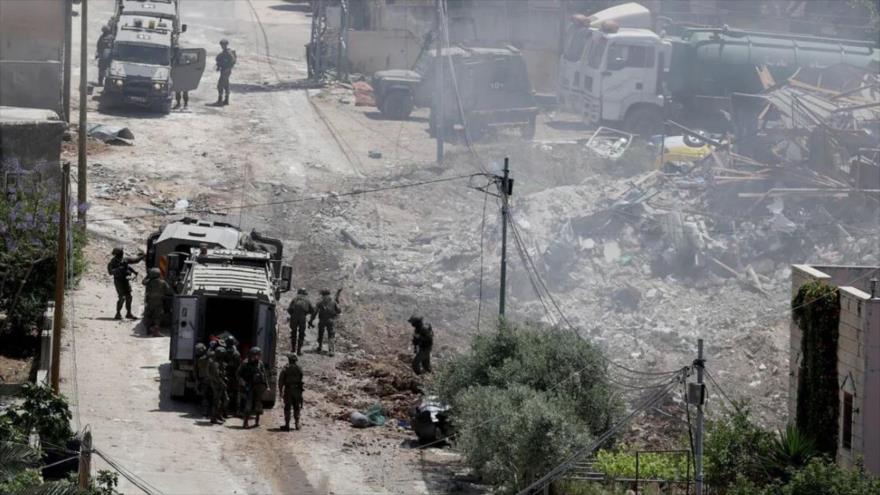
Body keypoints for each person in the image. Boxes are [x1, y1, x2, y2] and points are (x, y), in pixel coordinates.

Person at [107, 247, 144, 320]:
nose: (122, 253)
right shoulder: (112, 262)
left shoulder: (124, 260)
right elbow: (110, 272)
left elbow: (134, 261)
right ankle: (118, 313)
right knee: (122, 297)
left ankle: (129, 313)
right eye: (121, 252)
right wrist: (119, 269)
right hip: (118, 281)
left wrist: (142, 257)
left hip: (125, 280)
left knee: (129, 297)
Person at [238, 347, 268, 428]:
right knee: (248, 405)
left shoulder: (260, 363)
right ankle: (245, 423)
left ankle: (257, 422)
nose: (256, 357)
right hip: (249, 386)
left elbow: (264, 375)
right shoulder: (245, 363)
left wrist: (266, 386)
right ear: (251, 355)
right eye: (255, 355)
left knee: (259, 404)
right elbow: (238, 374)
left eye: (258, 355)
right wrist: (243, 384)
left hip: (258, 386)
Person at [142, 268, 174, 337]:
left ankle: (148, 330)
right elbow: (169, 291)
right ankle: (156, 332)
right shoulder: (162, 282)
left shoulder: (148, 282)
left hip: (149, 301)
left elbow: (143, 282)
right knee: (158, 316)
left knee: (149, 315)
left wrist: (148, 276)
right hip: (158, 302)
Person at [309, 289, 341, 356]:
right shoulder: (333, 302)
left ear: (322, 295)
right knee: (331, 335)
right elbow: (339, 311)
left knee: (320, 333)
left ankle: (319, 347)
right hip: (331, 320)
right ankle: (331, 350)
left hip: (322, 320)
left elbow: (314, 312)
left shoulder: (320, 302)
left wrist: (311, 321)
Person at [278, 353, 304, 431]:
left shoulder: (286, 368)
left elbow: (281, 381)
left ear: (289, 360)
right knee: (297, 407)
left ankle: (287, 425)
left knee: (287, 408)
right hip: (297, 390)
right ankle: (297, 424)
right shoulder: (299, 368)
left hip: (288, 390)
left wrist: (280, 391)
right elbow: (301, 378)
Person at [287, 288, 315, 356]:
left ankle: (293, 349)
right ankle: (299, 351)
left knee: (293, 333)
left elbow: (289, 309)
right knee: (301, 333)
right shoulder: (307, 300)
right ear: (305, 293)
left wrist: (292, 315)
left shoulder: (294, 299)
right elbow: (312, 310)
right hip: (302, 317)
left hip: (294, 317)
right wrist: (305, 313)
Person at [215, 39, 236, 105]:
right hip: (224, 70)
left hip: (226, 71)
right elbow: (219, 60)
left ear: (226, 45)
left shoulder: (228, 53)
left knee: (220, 85)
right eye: (221, 45)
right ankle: (226, 100)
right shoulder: (224, 53)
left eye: (223, 45)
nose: (222, 46)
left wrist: (228, 68)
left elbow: (232, 62)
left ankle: (220, 99)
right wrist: (218, 66)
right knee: (226, 84)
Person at [224, 335, 241, 416]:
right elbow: (239, 366)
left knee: (225, 393)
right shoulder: (237, 353)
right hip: (234, 376)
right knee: (236, 393)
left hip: (226, 376)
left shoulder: (222, 352)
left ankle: (224, 411)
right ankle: (236, 411)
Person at [211, 346, 229, 422]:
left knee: (226, 399)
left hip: (221, 383)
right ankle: (214, 418)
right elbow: (216, 376)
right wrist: (223, 383)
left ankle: (219, 415)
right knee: (217, 401)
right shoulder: (215, 363)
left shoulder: (220, 362)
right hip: (217, 384)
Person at [194, 343, 211, 417]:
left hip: (203, 379)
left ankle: (205, 411)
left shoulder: (199, 359)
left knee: (205, 395)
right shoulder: (209, 357)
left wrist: (197, 380)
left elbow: (196, 371)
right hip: (212, 379)